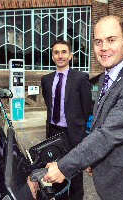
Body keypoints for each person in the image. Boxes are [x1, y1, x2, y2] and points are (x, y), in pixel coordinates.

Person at [43, 15, 123, 200]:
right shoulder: (105, 77)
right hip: (111, 182)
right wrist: (92, 158)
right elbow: (99, 123)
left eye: (111, 40)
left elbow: (109, 133)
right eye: (98, 42)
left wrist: (64, 167)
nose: (103, 47)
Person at [40, 39, 93, 200]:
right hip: (54, 134)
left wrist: (85, 135)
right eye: (56, 52)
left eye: (64, 52)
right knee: (55, 173)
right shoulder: (46, 80)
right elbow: (49, 104)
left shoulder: (80, 78)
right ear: (52, 56)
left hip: (74, 135)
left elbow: (87, 109)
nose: (60, 56)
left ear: (70, 56)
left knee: (75, 177)